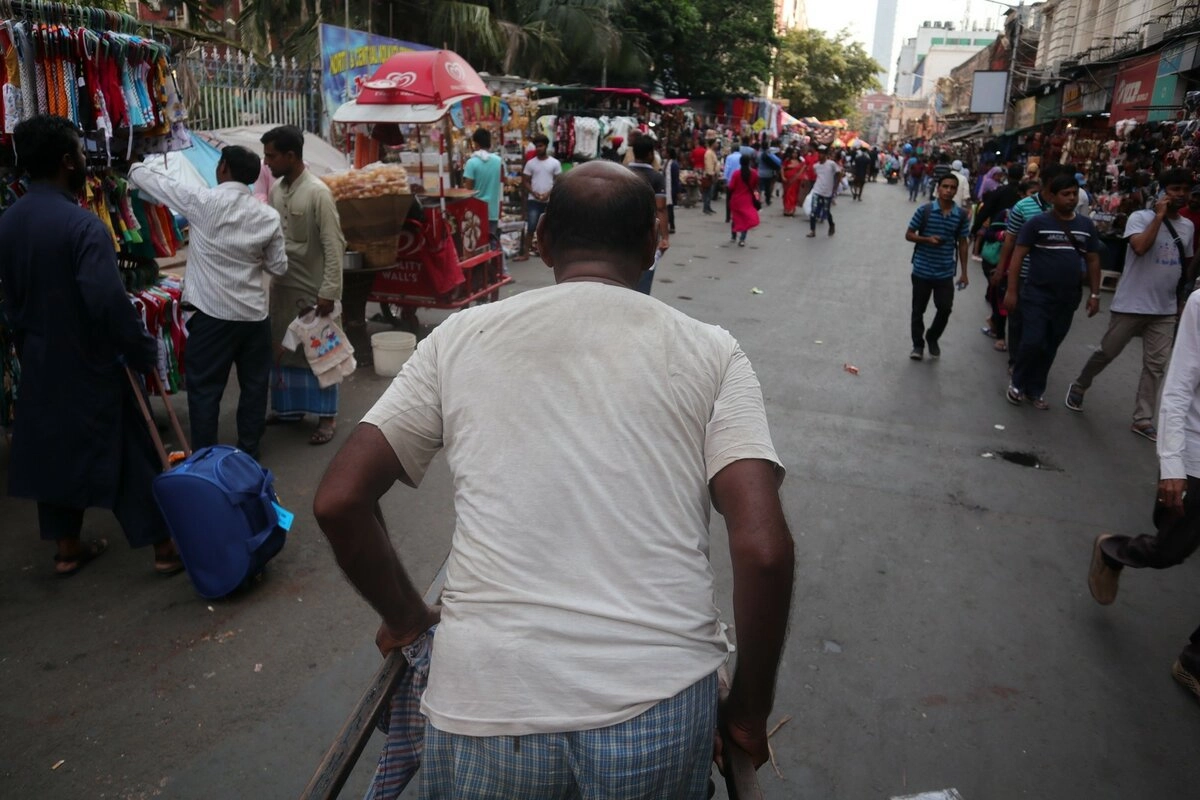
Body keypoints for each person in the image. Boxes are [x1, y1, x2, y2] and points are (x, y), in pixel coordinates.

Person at [312, 160, 794, 797]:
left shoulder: (460, 336)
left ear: (541, 241)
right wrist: (749, 713)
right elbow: (763, 550)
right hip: (658, 704)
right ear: (654, 244)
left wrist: (408, 618)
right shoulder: (713, 351)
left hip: (482, 703)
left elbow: (340, 500)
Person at [0, 114, 183, 577]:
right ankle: (165, 547)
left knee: (55, 449)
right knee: (130, 450)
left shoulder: (8, 222)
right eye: (82, 153)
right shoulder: (82, 226)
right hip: (91, 361)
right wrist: (141, 348)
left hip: (39, 359)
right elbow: (106, 301)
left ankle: (67, 548)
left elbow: (11, 298)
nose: (86, 160)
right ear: (67, 161)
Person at [128, 147, 289, 461]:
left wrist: (133, 165)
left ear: (223, 167)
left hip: (212, 318)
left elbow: (157, 183)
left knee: (205, 392)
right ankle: (249, 454)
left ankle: (205, 460)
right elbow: (278, 267)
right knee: (254, 388)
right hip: (254, 318)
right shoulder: (267, 216)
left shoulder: (203, 201)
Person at [1087, 287, 1200, 703]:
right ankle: (1114, 551)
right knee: (1169, 550)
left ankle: (1194, 661)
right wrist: (1171, 464)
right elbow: (1178, 387)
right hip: (1195, 458)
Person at [1065, 169, 1195, 440]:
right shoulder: (1140, 218)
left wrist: (1182, 300)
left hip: (1165, 309)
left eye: (1185, 189)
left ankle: (1143, 418)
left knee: (1156, 366)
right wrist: (1158, 217)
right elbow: (1140, 247)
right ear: (1162, 191)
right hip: (1132, 304)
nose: (1181, 194)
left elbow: (1185, 265)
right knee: (1107, 351)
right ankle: (1080, 384)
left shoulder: (1187, 226)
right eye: (1175, 189)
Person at [261, 125, 347, 446]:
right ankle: (289, 410)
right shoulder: (276, 191)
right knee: (285, 352)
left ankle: (327, 417)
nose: (266, 162)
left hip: (313, 293)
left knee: (320, 354)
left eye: (271, 156)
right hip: (283, 290)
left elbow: (334, 245)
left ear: (291, 156)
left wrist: (329, 292)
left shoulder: (318, 193)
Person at [1004, 173, 1102, 408]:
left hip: (1068, 297)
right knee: (1032, 340)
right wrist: (1012, 290)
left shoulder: (1086, 226)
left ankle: (1036, 390)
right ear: (1052, 197)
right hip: (1037, 294)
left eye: (1074, 194)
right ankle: (1017, 383)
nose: (1071, 198)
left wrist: (1095, 294)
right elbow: (1017, 257)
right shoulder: (1037, 224)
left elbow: (1093, 260)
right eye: (1065, 194)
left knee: (1050, 345)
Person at [995, 163, 1067, 373]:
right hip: (1024, 273)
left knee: (1045, 325)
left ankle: (1032, 363)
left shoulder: (1067, 211)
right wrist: (1001, 270)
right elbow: (1010, 240)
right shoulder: (1023, 207)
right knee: (1017, 319)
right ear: (1049, 183)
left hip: (1053, 278)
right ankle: (1016, 361)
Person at [905, 173, 970, 361]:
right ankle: (918, 345)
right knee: (918, 310)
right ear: (938, 188)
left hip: (945, 272)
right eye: (945, 186)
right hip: (922, 270)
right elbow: (909, 234)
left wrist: (964, 273)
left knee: (945, 308)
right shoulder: (924, 211)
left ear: (956, 191)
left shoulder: (961, 216)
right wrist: (927, 239)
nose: (948, 190)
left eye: (952, 187)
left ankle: (932, 336)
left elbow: (963, 243)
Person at [627, 135, 671, 293]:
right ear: (650, 154)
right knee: (643, 279)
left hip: (618, 232)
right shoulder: (656, 178)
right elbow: (661, 208)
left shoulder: (622, 173)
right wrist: (664, 237)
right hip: (646, 234)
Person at [463, 127, 504, 269]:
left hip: (476, 210)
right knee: (493, 241)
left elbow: (468, 189)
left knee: (477, 243)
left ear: (476, 143)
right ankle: (499, 270)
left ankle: (482, 271)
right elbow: (502, 182)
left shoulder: (471, 162)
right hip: (493, 209)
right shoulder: (498, 161)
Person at [521, 133, 561, 258]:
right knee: (531, 227)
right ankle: (526, 253)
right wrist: (534, 193)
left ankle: (552, 253)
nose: (539, 148)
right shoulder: (530, 163)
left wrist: (548, 193)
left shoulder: (554, 163)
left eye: (541, 146)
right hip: (534, 200)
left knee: (550, 228)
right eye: (537, 146)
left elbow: (558, 181)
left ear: (546, 146)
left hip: (549, 200)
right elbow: (525, 181)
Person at [728, 149, 760, 247]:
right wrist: (757, 197)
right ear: (750, 162)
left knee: (735, 217)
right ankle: (742, 239)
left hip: (736, 199)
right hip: (747, 200)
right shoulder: (754, 173)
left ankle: (733, 236)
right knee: (745, 219)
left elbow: (731, 187)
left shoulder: (736, 173)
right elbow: (755, 187)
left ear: (740, 162)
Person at [807, 145, 841, 238]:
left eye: (822, 153)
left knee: (826, 211)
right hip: (817, 190)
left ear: (826, 155)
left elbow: (839, 173)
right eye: (819, 153)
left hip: (827, 192)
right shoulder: (816, 166)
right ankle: (812, 230)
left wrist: (835, 187)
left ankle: (831, 224)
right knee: (813, 211)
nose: (820, 155)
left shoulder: (831, 164)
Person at [780, 147, 804, 217]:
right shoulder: (787, 160)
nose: (794, 154)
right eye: (793, 153)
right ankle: (786, 208)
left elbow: (802, 171)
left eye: (796, 153)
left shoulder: (800, 162)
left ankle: (792, 209)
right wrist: (783, 177)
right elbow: (782, 169)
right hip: (787, 180)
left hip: (795, 181)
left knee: (793, 195)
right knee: (786, 194)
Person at [758, 140, 781, 206]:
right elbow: (778, 151)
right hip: (769, 173)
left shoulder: (759, 154)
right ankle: (767, 200)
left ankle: (758, 200)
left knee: (759, 188)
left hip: (760, 173)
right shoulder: (769, 153)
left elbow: (756, 162)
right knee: (767, 187)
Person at [664, 146, 681, 234]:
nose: (663, 153)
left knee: (669, 208)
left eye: (665, 151)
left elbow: (676, 179)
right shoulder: (667, 162)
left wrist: (677, 191)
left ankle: (672, 226)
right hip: (666, 188)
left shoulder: (673, 164)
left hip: (671, 189)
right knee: (668, 208)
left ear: (668, 154)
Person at [702, 137, 720, 215]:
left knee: (709, 192)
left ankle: (708, 207)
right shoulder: (709, 153)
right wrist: (711, 174)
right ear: (713, 144)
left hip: (712, 174)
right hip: (709, 175)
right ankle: (706, 208)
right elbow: (709, 165)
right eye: (716, 143)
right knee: (707, 192)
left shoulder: (712, 152)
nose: (717, 144)